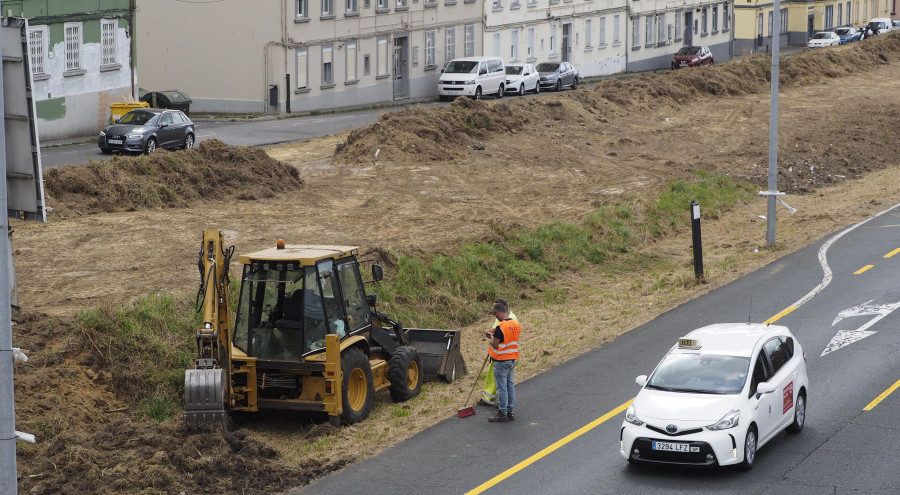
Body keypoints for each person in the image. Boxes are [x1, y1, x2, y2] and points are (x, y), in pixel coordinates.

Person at [478, 298, 518, 407]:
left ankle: (503, 407)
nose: (495, 315)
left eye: (496, 312)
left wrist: (492, 336)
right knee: (501, 381)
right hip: (503, 355)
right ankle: (492, 399)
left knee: (503, 383)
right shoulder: (505, 319)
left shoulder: (510, 320)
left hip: (502, 356)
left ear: (501, 310)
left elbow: (499, 339)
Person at [487, 302, 522, 423]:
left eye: (494, 314)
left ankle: (502, 413)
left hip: (501, 360)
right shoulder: (515, 324)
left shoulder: (501, 327)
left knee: (502, 388)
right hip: (512, 358)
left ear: (498, 312)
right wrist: (495, 332)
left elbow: (495, 345)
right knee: (510, 386)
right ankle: (510, 412)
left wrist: (490, 336)